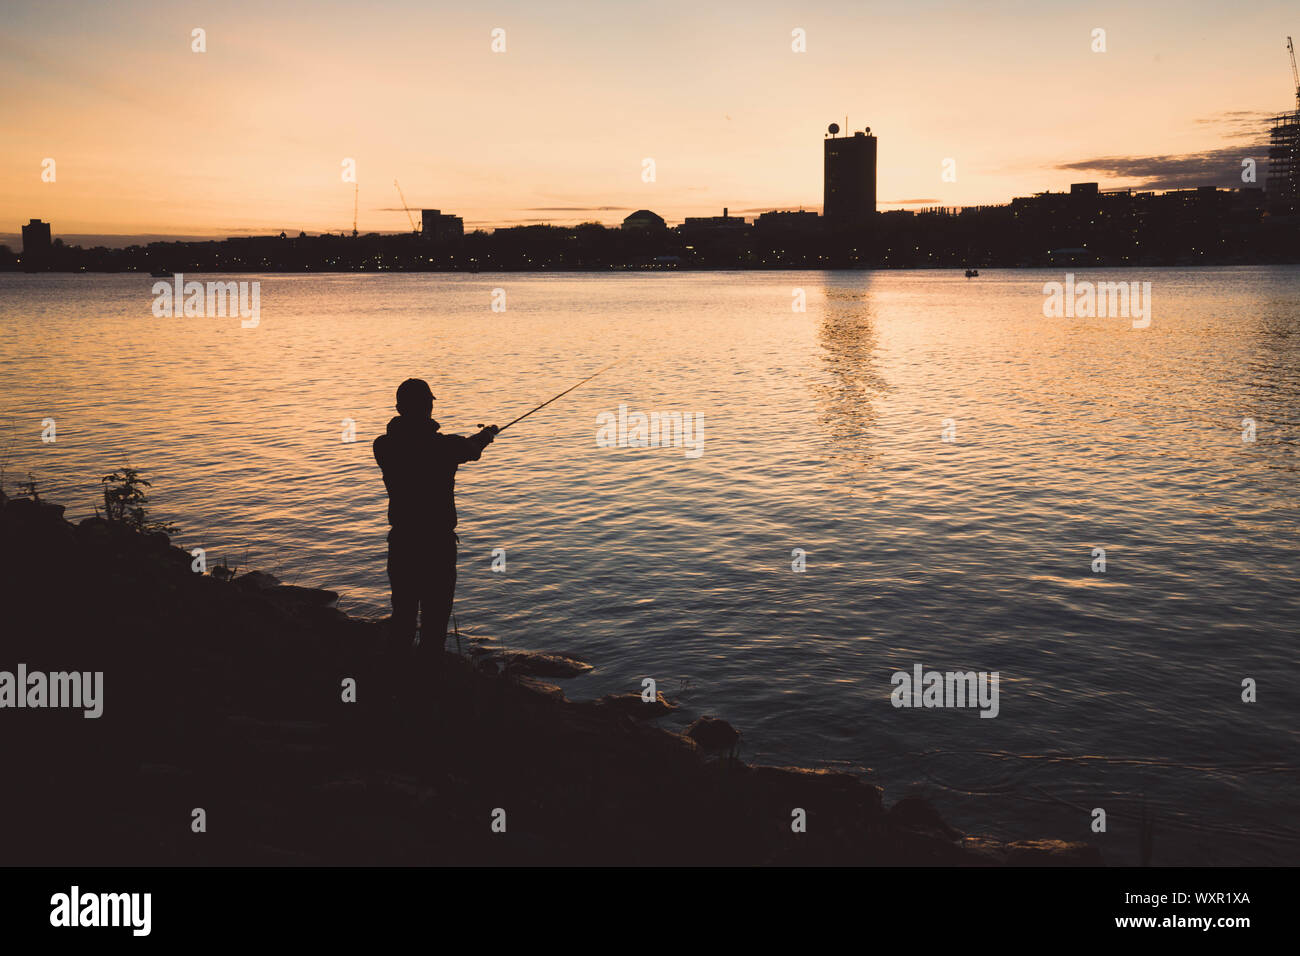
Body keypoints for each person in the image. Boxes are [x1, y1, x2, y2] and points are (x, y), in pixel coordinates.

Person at [373, 378, 497, 662]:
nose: (429, 407)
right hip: (436, 545)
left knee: (403, 616)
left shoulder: (383, 446)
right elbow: (471, 449)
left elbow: (452, 447)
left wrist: (476, 441)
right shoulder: (444, 447)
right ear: (428, 407)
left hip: (403, 542)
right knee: (435, 620)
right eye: (428, 403)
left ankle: (395, 681)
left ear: (398, 408)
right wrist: (487, 434)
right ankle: (428, 683)